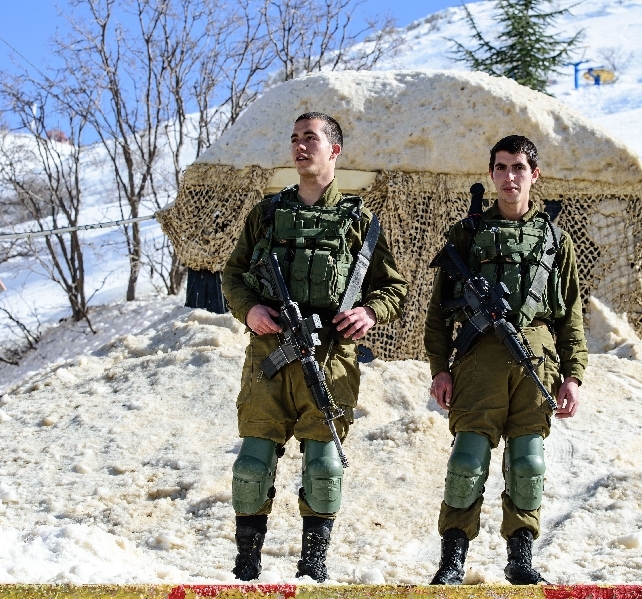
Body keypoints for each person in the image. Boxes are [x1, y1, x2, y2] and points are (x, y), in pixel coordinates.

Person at [221, 112, 408, 583]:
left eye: (311, 138)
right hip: (270, 355)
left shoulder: (360, 221)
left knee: (324, 468)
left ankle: (313, 568)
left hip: (330, 358)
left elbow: (393, 288)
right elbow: (234, 274)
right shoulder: (267, 214)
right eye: (295, 138)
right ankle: (246, 569)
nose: (300, 146)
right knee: (251, 466)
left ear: (334, 150)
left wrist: (369, 313)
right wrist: (250, 310)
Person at [424, 135, 588, 585]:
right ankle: (452, 560)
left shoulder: (556, 240)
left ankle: (521, 558)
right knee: (467, 461)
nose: (509, 177)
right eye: (501, 167)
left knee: (528, 464)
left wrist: (573, 376)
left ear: (534, 174)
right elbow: (438, 312)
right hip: (477, 359)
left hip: (536, 361)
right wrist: (440, 368)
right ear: (491, 173)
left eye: (518, 167)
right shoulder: (466, 234)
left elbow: (571, 315)